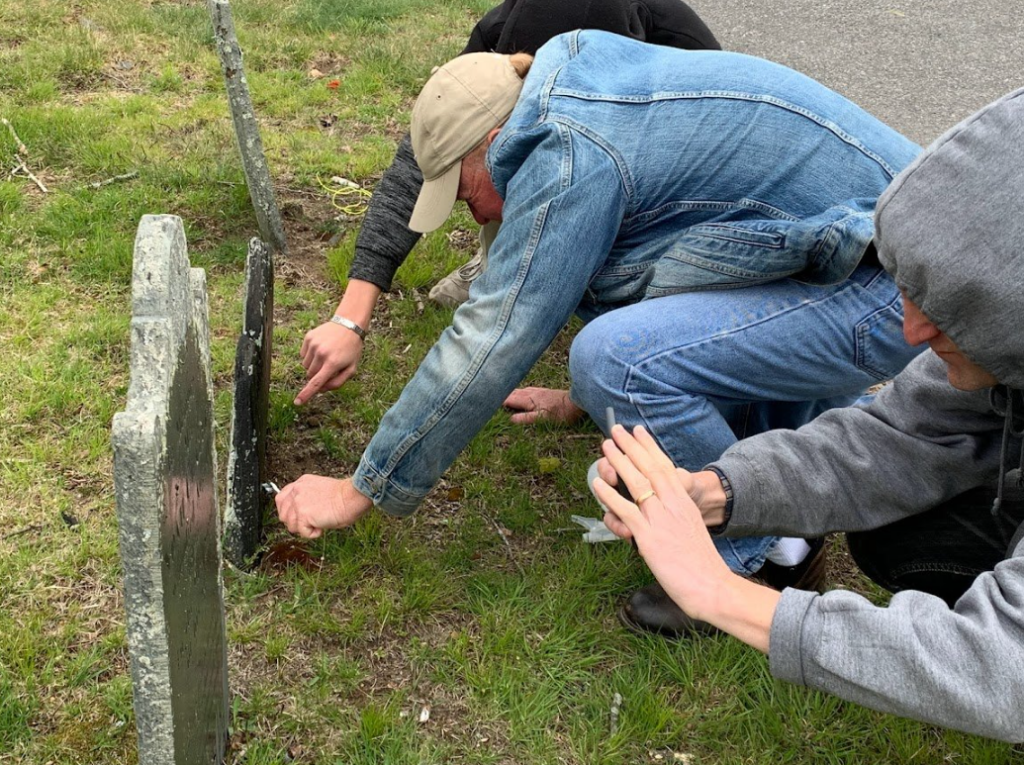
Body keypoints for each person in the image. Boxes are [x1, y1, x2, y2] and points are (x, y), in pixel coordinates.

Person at [274, 31, 923, 593]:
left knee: (610, 359)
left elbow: (491, 337)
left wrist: (362, 487)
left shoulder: (568, 157)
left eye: (463, 187)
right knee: (617, 339)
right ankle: (804, 490)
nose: (469, 212)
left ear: (494, 139)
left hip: (894, 283)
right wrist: (580, 403)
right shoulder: (566, 79)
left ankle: (746, 559)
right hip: (855, 256)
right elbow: (653, 268)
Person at [591, 89, 1024, 741]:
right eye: (912, 292)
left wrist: (721, 592)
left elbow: (1006, 665)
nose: (909, 332)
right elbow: (893, 438)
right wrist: (714, 492)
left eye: (950, 308)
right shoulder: (1001, 339)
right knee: (900, 531)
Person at [293, 0, 720, 407]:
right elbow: (422, 163)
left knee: (596, 278)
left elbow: (504, 331)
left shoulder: (610, 88)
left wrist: (585, 395)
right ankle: (493, 256)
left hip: (697, 180)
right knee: (494, 187)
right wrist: (350, 319)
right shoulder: (499, 40)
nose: (473, 217)